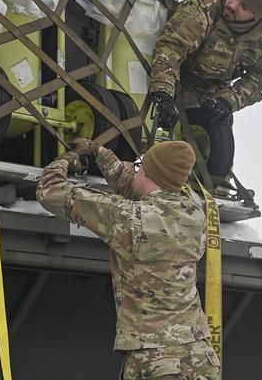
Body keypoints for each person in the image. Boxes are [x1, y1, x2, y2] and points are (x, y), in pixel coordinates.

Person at [37, 139, 220, 380]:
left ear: (146, 171)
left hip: (159, 364)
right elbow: (137, 190)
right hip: (201, 357)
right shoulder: (194, 215)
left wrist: (66, 160)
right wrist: (100, 153)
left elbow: (50, 192)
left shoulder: (129, 218)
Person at [147, 0, 262, 188]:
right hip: (178, 72)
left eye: (244, 7)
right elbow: (172, 47)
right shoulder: (206, 4)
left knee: (216, 143)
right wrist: (163, 92)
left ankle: (211, 181)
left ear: (259, 15)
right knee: (163, 127)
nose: (233, 5)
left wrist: (228, 101)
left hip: (216, 89)